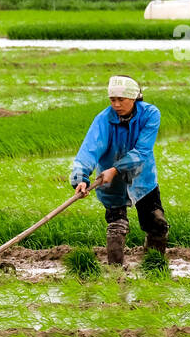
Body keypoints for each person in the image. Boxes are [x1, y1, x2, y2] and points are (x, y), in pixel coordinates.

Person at [70, 75, 169, 266]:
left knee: (157, 224)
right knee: (117, 227)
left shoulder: (150, 114)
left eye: (120, 100)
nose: (115, 105)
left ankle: (154, 266)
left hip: (142, 178)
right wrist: (81, 178)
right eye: (112, 100)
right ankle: (116, 273)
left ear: (133, 98)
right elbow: (88, 150)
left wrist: (115, 169)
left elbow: (142, 151)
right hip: (110, 183)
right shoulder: (103, 120)